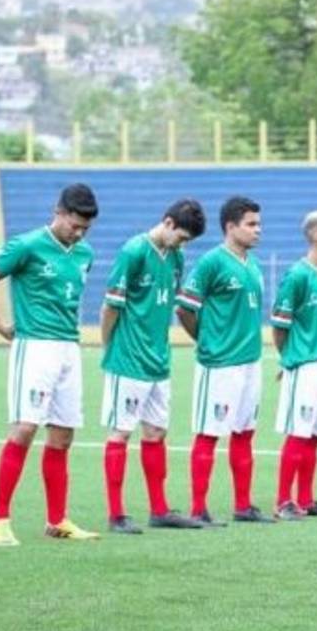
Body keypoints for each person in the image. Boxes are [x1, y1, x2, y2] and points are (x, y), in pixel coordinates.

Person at [0, 184, 101, 545]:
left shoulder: (84, 253)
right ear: (58, 212)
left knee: (62, 435)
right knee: (25, 428)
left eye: (84, 229)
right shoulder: (27, 245)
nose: (78, 233)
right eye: (74, 225)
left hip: (69, 349)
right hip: (35, 347)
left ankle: (57, 519)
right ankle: (0, 518)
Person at [101, 199, 208, 534]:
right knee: (121, 433)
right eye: (182, 237)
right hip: (128, 360)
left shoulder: (176, 257)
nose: (183, 244)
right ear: (167, 222)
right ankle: (117, 513)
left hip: (158, 360)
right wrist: (110, 347)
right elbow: (110, 307)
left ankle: (159, 509)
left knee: (156, 432)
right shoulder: (133, 251)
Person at [177, 196, 269, 524]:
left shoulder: (253, 264)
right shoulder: (212, 262)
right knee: (209, 433)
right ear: (231, 227)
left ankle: (243, 506)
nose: (258, 230)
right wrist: (206, 340)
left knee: (244, 432)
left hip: (250, 362)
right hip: (219, 364)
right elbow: (184, 308)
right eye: (251, 224)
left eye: (259, 224)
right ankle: (198, 508)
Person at [271, 210, 317, 520]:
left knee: (315, 433)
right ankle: (283, 501)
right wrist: (289, 358)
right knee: (298, 433)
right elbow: (280, 324)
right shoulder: (298, 275)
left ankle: (305, 498)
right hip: (306, 366)